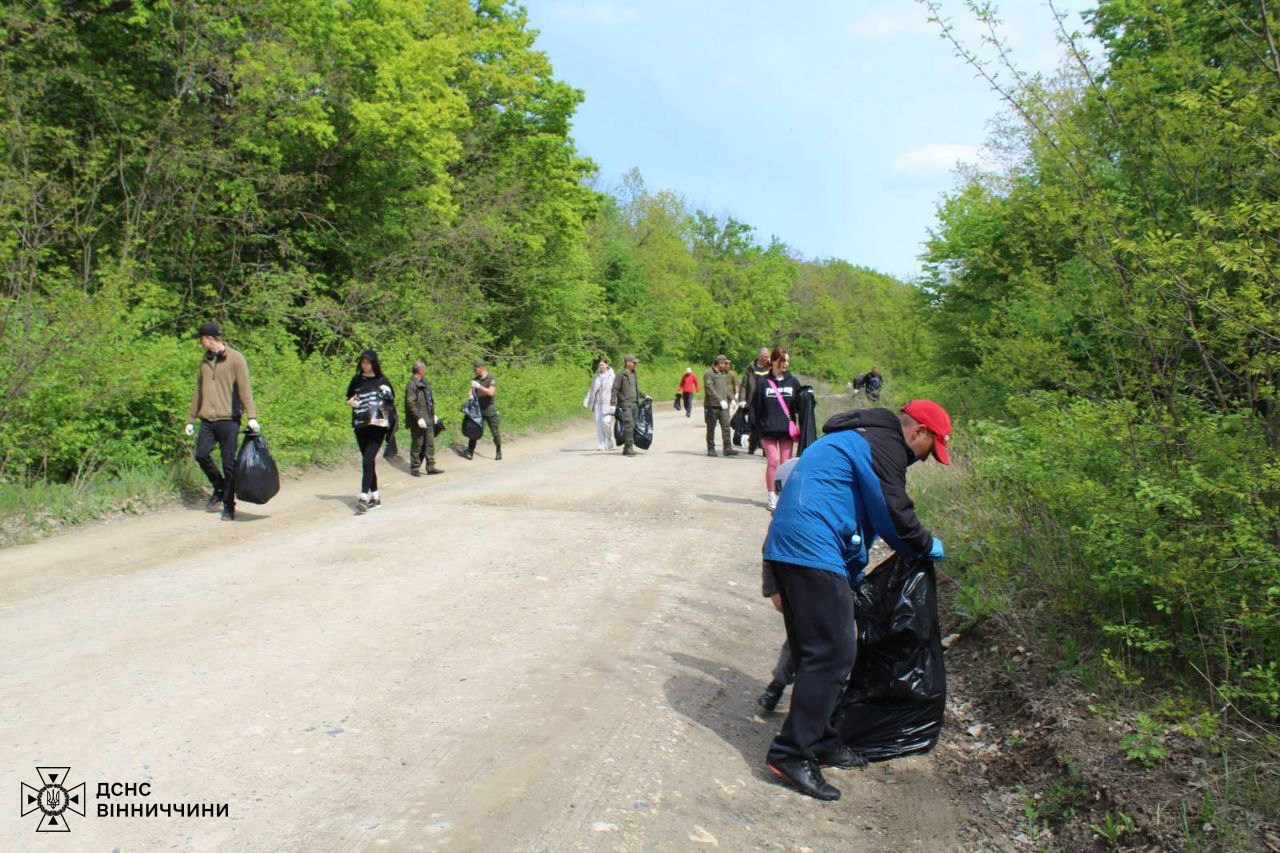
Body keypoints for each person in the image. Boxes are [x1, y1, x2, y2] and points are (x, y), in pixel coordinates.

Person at [762, 399, 952, 801]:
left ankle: (822, 739)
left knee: (813, 650)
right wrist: (924, 544)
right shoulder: (885, 445)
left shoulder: (859, 437)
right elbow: (894, 514)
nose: (927, 459)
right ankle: (792, 753)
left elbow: (858, 513)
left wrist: (852, 572)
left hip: (793, 545)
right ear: (917, 431)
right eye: (930, 450)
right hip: (811, 547)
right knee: (832, 655)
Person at [185, 321, 259, 521]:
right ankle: (219, 487)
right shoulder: (204, 361)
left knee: (229, 464)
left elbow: (245, 389)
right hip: (207, 419)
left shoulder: (236, 359)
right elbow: (198, 392)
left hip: (229, 419)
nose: (200, 343)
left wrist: (252, 417)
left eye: (201, 339)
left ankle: (229, 505)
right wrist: (190, 419)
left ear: (209, 339)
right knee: (201, 455)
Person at [749, 348, 802, 511]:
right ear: (773, 361)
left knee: (786, 464)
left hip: (786, 430)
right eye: (782, 360)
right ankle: (772, 496)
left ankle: (784, 497)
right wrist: (755, 429)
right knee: (773, 461)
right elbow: (755, 407)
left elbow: (799, 407)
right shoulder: (763, 382)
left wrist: (808, 397)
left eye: (787, 361)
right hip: (768, 429)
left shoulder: (793, 382)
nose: (786, 364)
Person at [346, 349, 394, 514]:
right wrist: (352, 403)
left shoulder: (382, 380)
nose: (364, 365)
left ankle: (363, 498)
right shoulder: (356, 380)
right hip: (360, 424)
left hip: (378, 426)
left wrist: (386, 394)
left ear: (374, 363)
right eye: (362, 362)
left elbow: (391, 402)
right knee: (369, 462)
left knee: (367, 460)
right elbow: (349, 398)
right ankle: (376, 496)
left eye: (367, 362)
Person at [405, 360, 443, 476]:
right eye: (424, 369)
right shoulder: (412, 385)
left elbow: (429, 400)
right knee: (417, 444)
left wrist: (433, 414)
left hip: (428, 418)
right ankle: (414, 468)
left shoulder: (424, 383)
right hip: (419, 421)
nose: (425, 371)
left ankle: (430, 466)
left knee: (430, 443)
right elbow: (410, 404)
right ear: (420, 370)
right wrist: (418, 418)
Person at [702, 355, 740, 458]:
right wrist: (720, 400)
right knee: (711, 428)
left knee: (726, 427)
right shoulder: (708, 374)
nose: (727, 365)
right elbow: (710, 389)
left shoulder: (723, 374)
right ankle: (711, 448)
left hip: (724, 406)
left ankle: (727, 448)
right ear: (719, 363)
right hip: (711, 406)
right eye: (725, 363)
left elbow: (726, 389)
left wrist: (732, 399)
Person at [464, 360, 501, 461]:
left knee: (495, 431)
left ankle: (498, 450)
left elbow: (491, 393)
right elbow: (470, 391)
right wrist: (471, 395)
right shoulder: (476, 379)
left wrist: (479, 387)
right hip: (478, 410)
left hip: (489, 409)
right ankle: (470, 452)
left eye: (475, 369)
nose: (474, 371)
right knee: (474, 430)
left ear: (480, 368)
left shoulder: (491, 379)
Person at [610, 354, 644, 456]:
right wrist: (612, 403)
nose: (635, 364)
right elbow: (615, 389)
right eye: (634, 362)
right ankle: (629, 447)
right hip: (625, 404)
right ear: (628, 363)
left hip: (635, 404)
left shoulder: (634, 373)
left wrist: (645, 396)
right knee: (629, 425)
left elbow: (636, 389)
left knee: (633, 426)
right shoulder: (621, 375)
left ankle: (626, 448)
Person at [739, 347, 772, 454]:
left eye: (768, 356)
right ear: (760, 357)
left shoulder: (771, 367)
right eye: (766, 357)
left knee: (766, 424)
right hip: (752, 401)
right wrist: (741, 399)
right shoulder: (751, 367)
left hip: (767, 400)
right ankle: (752, 446)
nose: (768, 358)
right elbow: (744, 385)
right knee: (754, 424)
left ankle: (765, 450)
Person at [584, 357, 616, 450]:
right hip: (597, 402)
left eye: (603, 364)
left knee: (606, 422)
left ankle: (609, 440)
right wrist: (587, 399)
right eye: (600, 364)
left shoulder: (612, 376)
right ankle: (601, 444)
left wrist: (615, 403)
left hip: (608, 403)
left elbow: (616, 390)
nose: (601, 366)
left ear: (607, 365)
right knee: (598, 423)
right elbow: (591, 389)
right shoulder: (596, 376)